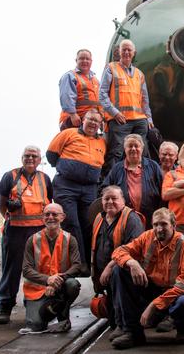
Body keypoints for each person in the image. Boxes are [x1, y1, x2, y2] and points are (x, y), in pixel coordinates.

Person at [111, 208, 184, 349]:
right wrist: (132, 263)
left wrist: (153, 306)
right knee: (119, 271)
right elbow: (119, 251)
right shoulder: (147, 237)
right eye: (156, 224)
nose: (159, 229)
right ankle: (133, 333)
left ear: (173, 225)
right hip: (151, 289)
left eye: (163, 224)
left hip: (175, 293)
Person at [0, 146, 53, 324]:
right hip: (16, 230)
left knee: (38, 270)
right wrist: (8, 215)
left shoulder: (45, 178)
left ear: (39, 159)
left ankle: (36, 305)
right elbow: (1, 201)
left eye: (34, 156)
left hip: (38, 231)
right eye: (27, 155)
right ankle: (5, 306)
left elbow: (50, 202)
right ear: (22, 158)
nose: (30, 158)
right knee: (11, 270)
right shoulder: (10, 176)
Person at [47, 109, 106, 271]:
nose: (93, 123)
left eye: (97, 121)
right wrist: (68, 169)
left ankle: (89, 262)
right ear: (82, 120)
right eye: (90, 119)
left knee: (89, 224)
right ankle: (77, 263)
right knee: (71, 222)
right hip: (67, 186)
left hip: (89, 188)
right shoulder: (69, 134)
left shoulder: (102, 142)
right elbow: (51, 155)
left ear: (100, 124)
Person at [91, 186, 145, 336]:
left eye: (114, 198)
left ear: (123, 200)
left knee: (122, 300)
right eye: (106, 198)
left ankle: (125, 326)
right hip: (105, 276)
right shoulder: (99, 218)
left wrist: (109, 266)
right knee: (111, 316)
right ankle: (117, 324)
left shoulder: (131, 218)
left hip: (122, 272)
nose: (110, 202)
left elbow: (132, 249)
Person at [21, 203, 83, 334]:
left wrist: (56, 282)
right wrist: (47, 280)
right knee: (36, 326)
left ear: (62, 217)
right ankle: (43, 308)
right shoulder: (32, 240)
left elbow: (77, 266)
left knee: (72, 285)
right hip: (37, 290)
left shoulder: (70, 239)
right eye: (47, 214)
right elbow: (26, 269)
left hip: (60, 287)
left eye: (55, 214)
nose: (50, 217)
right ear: (42, 217)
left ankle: (62, 316)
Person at [99, 39, 154, 171]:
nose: (127, 52)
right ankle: (111, 185)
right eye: (124, 49)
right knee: (116, 152)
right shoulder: (111, 68)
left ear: (134, 53)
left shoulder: (139, 74)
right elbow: (102, 94)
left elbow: (145, 99)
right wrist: (114, 113)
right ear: (119, 51)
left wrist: (149, 118)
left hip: (139, 119)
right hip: (119, 120)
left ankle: (141, 180)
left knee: (142, 151)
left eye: (129, 50)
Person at [102, 134, 163, 226]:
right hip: (124, 218)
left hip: (151, 218)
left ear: (142, 148)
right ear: (125, 149)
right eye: (130, 146)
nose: (133, 149)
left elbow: (162, 189)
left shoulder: (153, 166)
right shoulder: (117, 168)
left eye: (136, 146)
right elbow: (105, 189)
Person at [58, 49, 100, 131]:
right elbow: (66, 96)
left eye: (87, 59)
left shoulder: (95, 80)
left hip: (90, 121)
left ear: (91, 61)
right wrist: (73, 114)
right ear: (76, 60)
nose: (85, 61)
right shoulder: (70, 76)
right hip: (74, 120)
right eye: (81, 58)